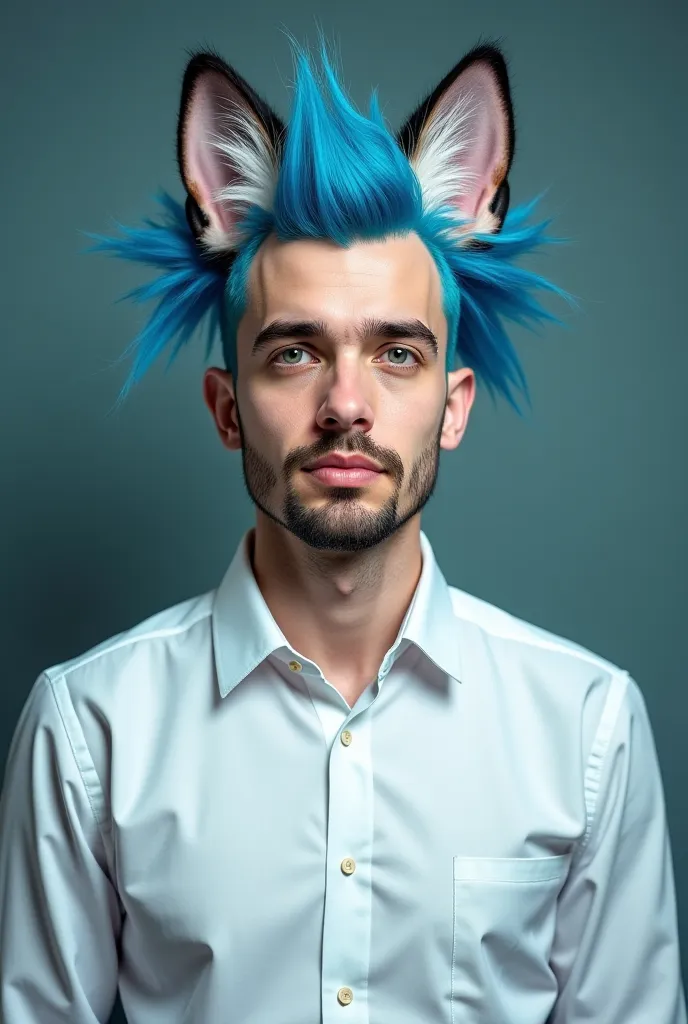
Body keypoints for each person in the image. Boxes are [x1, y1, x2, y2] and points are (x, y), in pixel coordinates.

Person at [0, 31, 685, 1024]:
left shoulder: (588, 726)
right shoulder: (86, 729)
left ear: (454, 404)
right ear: (226, 405)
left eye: (397, 354)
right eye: (294, 353)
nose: (346, 404)